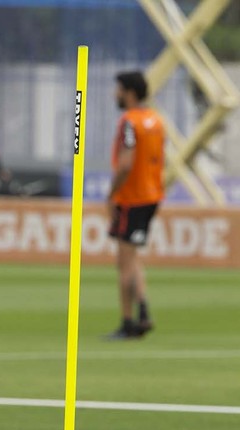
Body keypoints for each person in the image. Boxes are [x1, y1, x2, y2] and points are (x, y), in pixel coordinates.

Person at [106, 70, 164, 340]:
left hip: (131, 198)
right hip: (152, 196)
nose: (115, 94)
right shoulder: (155, 120)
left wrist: (112, 194)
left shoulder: (129, 122)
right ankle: (143, 311)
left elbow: (126, 163)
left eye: (118, 89)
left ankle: (128, 322)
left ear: (129, 92)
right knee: (134, 258)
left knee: (124, 262)